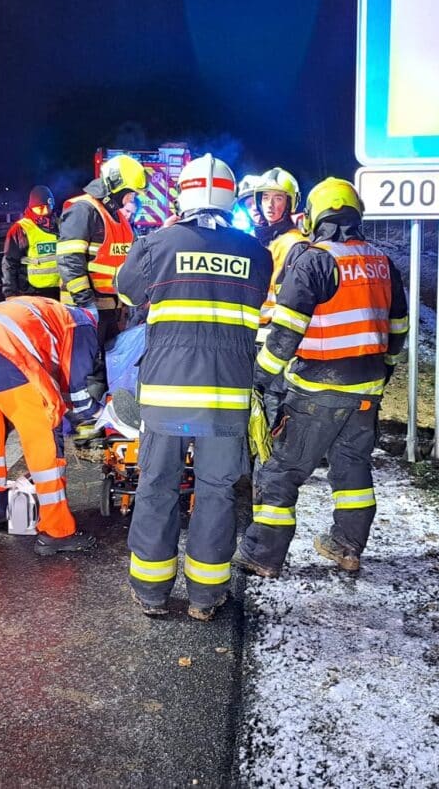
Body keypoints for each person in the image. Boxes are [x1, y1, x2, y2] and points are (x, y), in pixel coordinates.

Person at [117, 155, 272, 620]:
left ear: (182, 196)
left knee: (158, 486)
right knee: (217, 492)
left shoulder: (155, 245)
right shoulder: (255, 252)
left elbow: (127, 292)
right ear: (230, 197)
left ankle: (151, 592)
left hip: (166, 397)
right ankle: (206, 597)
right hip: (226, 399)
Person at [234, 177, 408, 578]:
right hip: (367, 389)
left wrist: (261, 377)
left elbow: (286, 330)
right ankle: (347, 546)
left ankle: (263, 555)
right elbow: (398, 327)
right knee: (353, 470)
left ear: (315, 215)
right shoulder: (382, 261)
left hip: (317, 387)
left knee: (281, 471)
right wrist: (387, 369)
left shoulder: (314, 259)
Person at [0, 297, 100, 554]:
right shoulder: (82, 326)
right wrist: (93, 421)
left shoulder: (50, 312)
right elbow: (77, 391)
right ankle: (57, 531)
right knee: (44, 432)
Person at [56, 154, 148, 401]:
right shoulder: (83, 210)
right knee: (83, 371)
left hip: (112, 309)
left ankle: (100, 415)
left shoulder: (119, 219)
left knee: (103, 368)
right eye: (131, 193)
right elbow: (69, 261)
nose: (133, 199)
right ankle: (81, 422)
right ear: (117, 186)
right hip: (84, 310)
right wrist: (86, 305)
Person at [249, 168, 308, 423]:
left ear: (290, 202)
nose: (270, 205)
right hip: (256, 334)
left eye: (278, 198)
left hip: (275, 336)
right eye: (265, 198)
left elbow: (290, 300)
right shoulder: (266, 238)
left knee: (273, 402)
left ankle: (274, 461)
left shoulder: (293, 242)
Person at [2, 185, 60, 300]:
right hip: (31, 291)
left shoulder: (60, 225)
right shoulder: (20, 228)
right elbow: (9, 263)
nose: (44, 212)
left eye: (48, 207)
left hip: (60, 290)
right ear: (31, 207)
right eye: (40, 208)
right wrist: (10, 293)